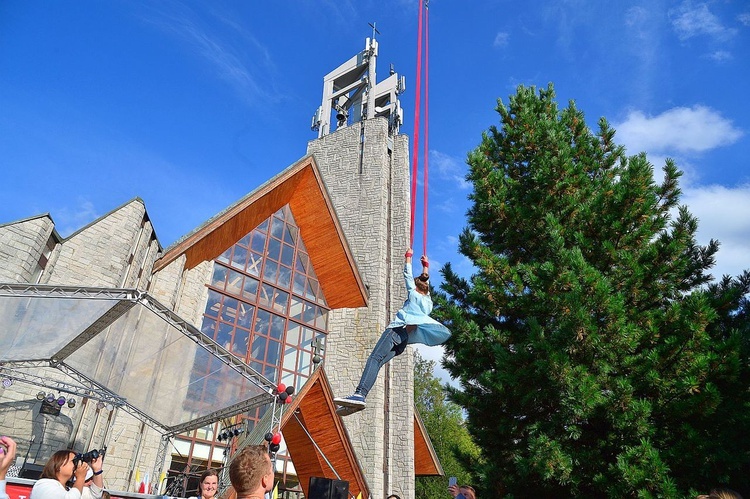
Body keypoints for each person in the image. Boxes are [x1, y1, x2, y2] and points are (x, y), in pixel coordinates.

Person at [334, 249, 451, 411]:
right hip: (403, 341)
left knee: (374, 359)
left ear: (416, 288)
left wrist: (408, 257)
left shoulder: (413, 294)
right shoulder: (428, 302)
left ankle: (359, 394)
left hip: (395, 331)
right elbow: (426, 284)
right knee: (378, 362)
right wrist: (426, 267)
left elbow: (407, 275)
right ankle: (359, 399)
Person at [30, 450, 104, 499]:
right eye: (73, 461)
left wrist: (97, 470)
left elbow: (95, 495)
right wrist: (81, 477)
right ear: (59, 465)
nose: (76, 465)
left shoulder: (69, 489)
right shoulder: (43, 485)